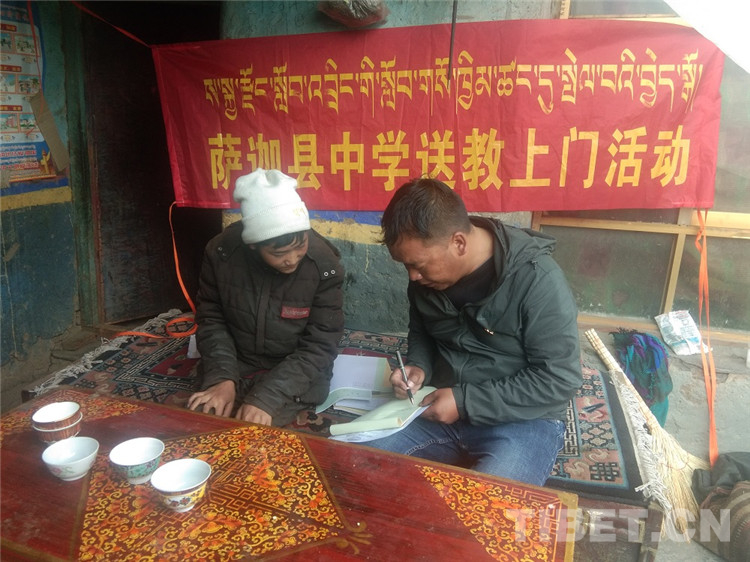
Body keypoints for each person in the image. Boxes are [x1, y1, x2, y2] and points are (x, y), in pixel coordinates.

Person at [367, 177, 582, 486]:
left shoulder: (538, 280)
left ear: (459, 243)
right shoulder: (426, 279)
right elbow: (423, 331)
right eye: (406, 266)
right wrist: (418, 367)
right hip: (438, 405)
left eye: (419, 265)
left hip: (522, 417)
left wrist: (466, 402)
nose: (413, 277)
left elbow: (559, 379)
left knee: (490, 504)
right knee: (356, 464)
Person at [187, 168, 345, 427]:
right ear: (253, 244)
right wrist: (222, 378)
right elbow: (211, 319)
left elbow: (320, 344)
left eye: (301, 246)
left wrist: (267, 398)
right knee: (207, 412)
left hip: (295, 369)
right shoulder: (222, 253)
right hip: (237, 359)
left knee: (254, 427)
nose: (292, 259)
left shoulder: (323, 265)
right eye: (279, 253)